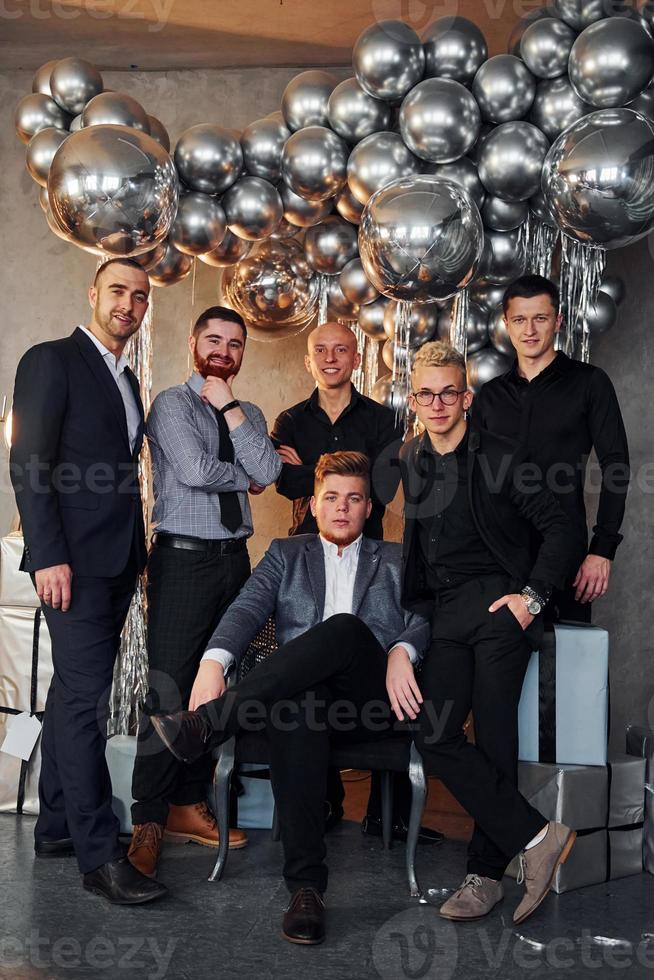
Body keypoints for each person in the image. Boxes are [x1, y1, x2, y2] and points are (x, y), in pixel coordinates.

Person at [149, 451, 431, 945]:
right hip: (303, 703)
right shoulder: (285, 553)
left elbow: (428, 614)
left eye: (354, 498)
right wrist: (214, 661)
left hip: (368, 701)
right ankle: (306, 890)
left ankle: (209, 724)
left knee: (342, 630)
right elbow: (245, 609)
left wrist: (403, 650)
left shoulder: (395, 559)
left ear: (369, 508)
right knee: (299, 702)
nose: (342, 508)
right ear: (314, 506)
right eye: (331, 498)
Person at [400, 341, 579, 925]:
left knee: (496, 737)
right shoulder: (411, 458)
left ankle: (484, 876)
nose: (438, 402)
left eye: (449, 391)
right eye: (426, 393)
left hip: (501, 606)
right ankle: (540, 837)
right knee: (437, 733)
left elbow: (561, 527)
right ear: (414, 397)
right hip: (448, 614)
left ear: (466, 397)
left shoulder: (502, 454)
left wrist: (530, 599)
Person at [10, 258, 166, 905]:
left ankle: (53, 829)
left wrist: (138, 557)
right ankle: (101, 857)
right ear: (93, 293)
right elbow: (29, 460)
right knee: (83, 704)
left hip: (116, 564)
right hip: (69, 565)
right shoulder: (51, 360)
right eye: (117, 291)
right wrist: (47, 554)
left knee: (74, 694)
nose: (128, 304)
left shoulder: (127, 379)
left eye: (139, 295)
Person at [128, 305, 281, 878]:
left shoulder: (249, 410)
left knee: (215, 689)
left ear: (243, 353)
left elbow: (271, 463)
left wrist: (232, 414)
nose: (223, 350)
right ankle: (148, 818)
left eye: (234, 343)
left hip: (233, 562)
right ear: (194, 343)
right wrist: (249, 476)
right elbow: (194, 469)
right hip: (184, 559)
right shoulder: (171, 404)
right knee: (168, 687)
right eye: (213, 339)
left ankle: (188, 806)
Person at [270, 321, 435, 845]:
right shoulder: (291, 419)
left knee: (379, 649)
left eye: (342, 349)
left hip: (373, 560)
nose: (331, 357)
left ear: (356, 358)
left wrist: (316, 474)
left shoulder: (382, 417)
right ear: (309, 360)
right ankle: (322, 802)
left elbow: (385, 485)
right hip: (308, 556)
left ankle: (389, 815)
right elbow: (284, 482)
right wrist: (315, 479)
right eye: (321, 350)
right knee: (312, 658)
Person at [473, 274, 629, 622]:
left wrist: (602, 549)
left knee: (570, 670)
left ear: (557, 321)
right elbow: (474, 480)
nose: (529, 329)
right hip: (499, 559)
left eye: (540, 318)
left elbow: (616, 465)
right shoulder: (490, 396)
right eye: (519, 319)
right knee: (500, 672)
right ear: (506, 324)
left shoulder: (589, 383)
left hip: (567, 557)